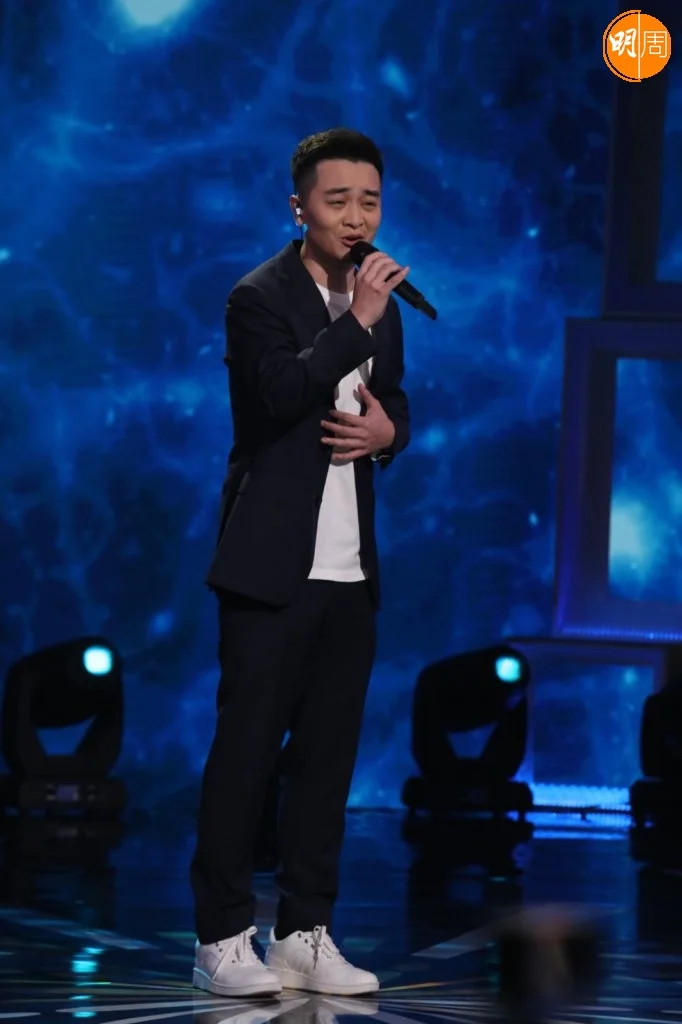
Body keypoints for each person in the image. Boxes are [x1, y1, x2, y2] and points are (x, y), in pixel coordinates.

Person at [190, 128, 410, 998]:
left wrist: (390, 434)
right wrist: (355, 321)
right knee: (246, 755)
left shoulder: (382, 304)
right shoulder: (259, 297)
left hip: (350, 569)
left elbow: (391, 403)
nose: (357, 218)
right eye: (337, 200)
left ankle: (304, 932)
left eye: (370, 202)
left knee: (327, 761)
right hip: (270, 565)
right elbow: (279, 395)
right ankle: (220, 937)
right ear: (299, 208)